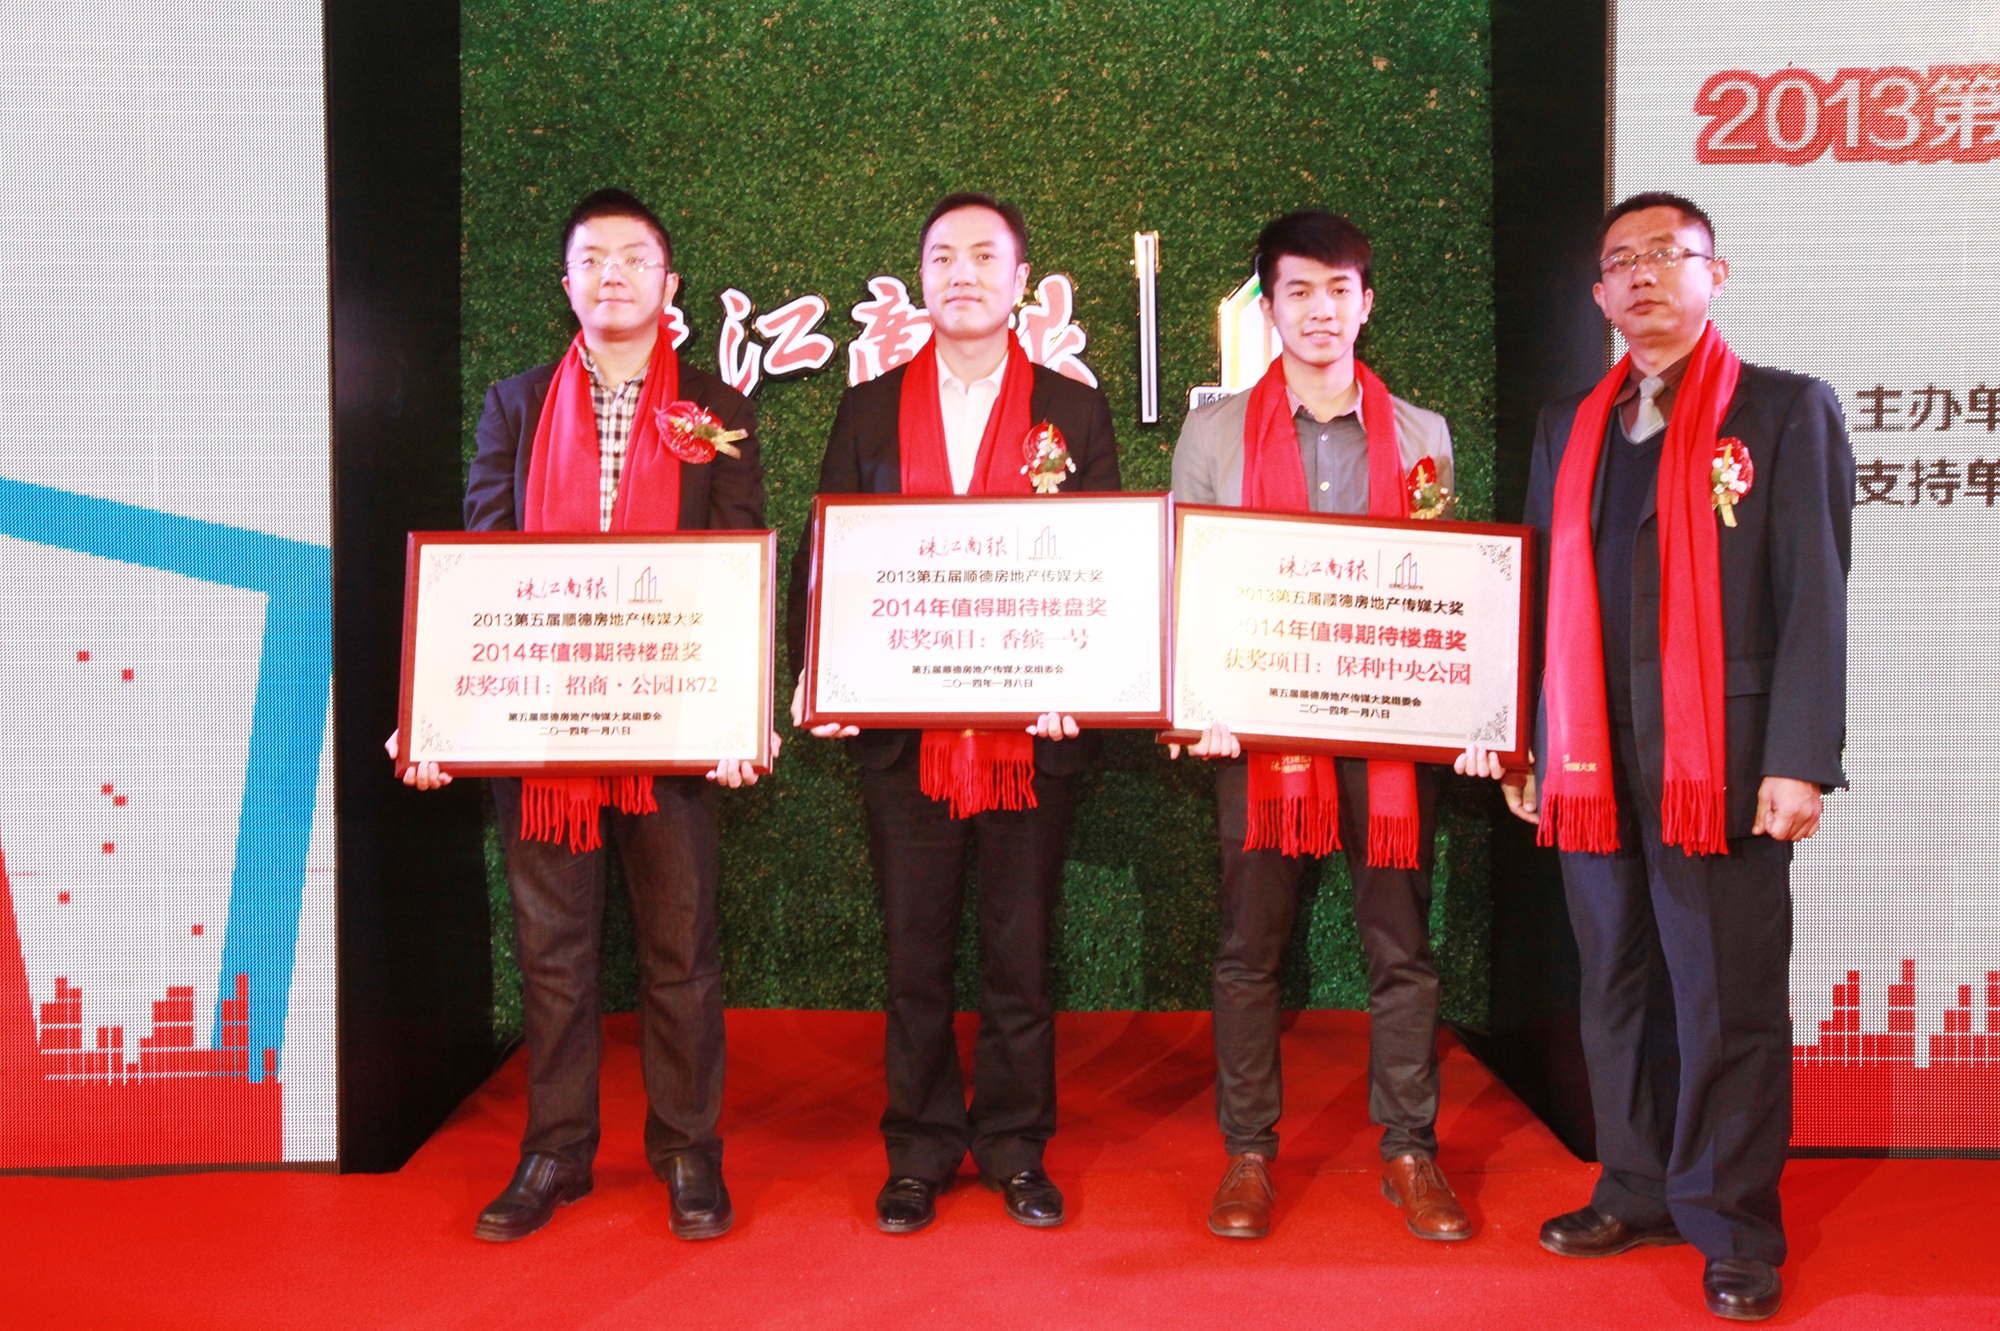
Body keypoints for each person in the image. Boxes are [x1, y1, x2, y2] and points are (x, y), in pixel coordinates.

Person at [1460, 192, 1852, 1320]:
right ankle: (1633, 1184)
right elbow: (1538, 594)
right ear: (1598, 294)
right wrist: (1525, 738)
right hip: (1590, 760)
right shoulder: (1568, 425)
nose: (1640, 276)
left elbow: (1813, 595)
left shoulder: (1783, 410)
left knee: (1726, 997)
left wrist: (1798, 757)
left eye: (1664, 255)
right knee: (1617, 980)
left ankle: (1731, 1223)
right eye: (1619, 261)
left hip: (1719, 760)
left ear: (1711, 274)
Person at [391, 187, 771, 1244]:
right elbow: (477, 568)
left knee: (680, 951)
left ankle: (688, 1149)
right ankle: (555, 1150)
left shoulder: (717, 408)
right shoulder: (514, 405)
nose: (613, 274)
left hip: (672, 722)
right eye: (593, 259)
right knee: (553, 953)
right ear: (567, 283)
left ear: (668, 283)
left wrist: (740, 714)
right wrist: (435, 711)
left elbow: (739, 563)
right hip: (541, 725)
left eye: (634, 258)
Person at [787, 192, 1119, 1234]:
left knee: (1021, 958)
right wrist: (818, 671)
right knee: (914, 957)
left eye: (983, 255)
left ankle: (1017, 1147)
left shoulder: (1074, 410)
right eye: (941, 257)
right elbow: (828, 553)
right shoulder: (868, 409)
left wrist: (1089, 678)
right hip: (905, 739)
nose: (961, 272)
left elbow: (1105, 565)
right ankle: (919, 1150)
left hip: (1034, 737)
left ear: (1020, 281)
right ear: (919, 279)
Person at [1170, 210, 1468, 1243]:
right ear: (1270, 307)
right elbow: (1187, 582)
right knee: (1247, 950)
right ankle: (1248, 1151)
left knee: (1401, 948)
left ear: (1366, 303)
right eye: (1297, 290)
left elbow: (1447, 589)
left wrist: (1467, 705)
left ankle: (1410, 1149)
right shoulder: (1212, 433)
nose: (1320, 310)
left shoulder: (1422, 433)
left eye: (1339, 289)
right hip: (1256, 742)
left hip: (1388, 740)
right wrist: (1194, 706)